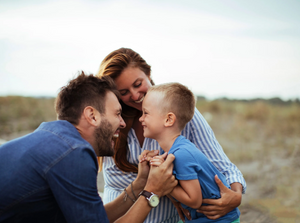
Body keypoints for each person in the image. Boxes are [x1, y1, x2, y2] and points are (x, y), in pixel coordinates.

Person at [0, 72, 177, 223]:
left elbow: (95, 218)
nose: (123, 123)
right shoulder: (74, 152)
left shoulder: (54, 140)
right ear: (92, 115)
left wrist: (139, 185)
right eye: (117, 114)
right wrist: (152, 192)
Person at [97, 48, 246, 223]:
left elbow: (220, 165)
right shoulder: (113, 123)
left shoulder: (178, 113)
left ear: (148, 74)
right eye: (124, 92)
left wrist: (235, 196)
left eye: (138, 84)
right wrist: (155, 184)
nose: (135, 95)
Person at [139, 83, 240, 223]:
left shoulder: (182, 154)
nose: (141, 118)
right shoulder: (168, 150)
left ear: (168, 119)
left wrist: (164, 184)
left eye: (146, 113)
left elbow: (194, 201)